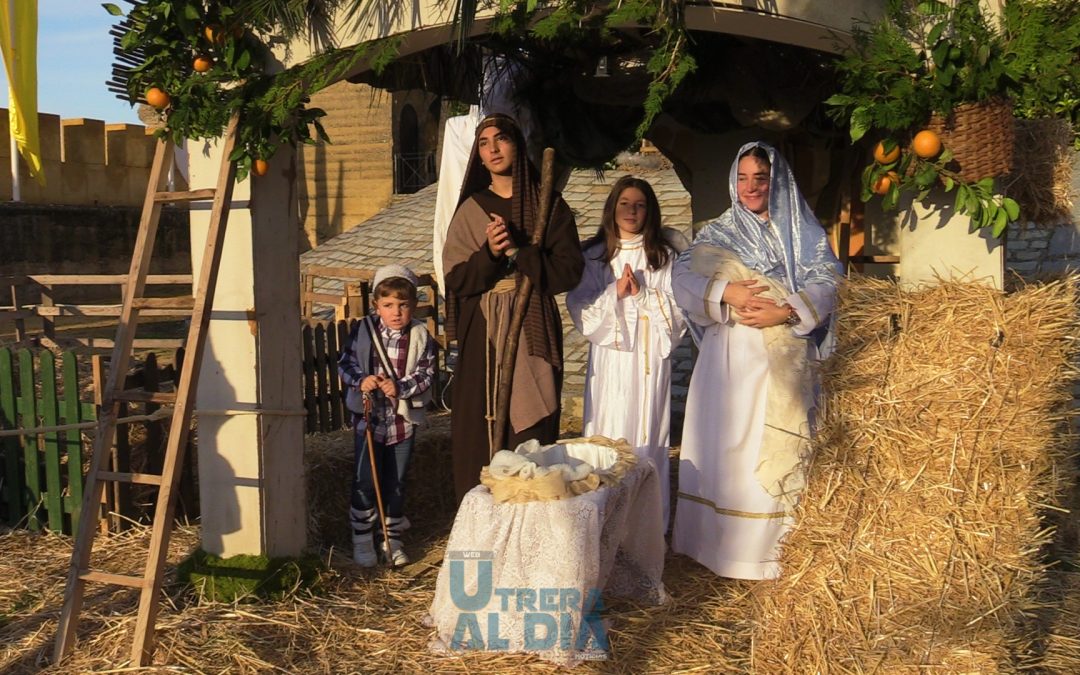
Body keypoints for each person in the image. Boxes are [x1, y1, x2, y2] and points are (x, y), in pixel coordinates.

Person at [671, 142, 841, 580]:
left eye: (759, 179)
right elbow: (683, 279)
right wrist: (728, 294)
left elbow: (828, 280)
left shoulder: (802, 235)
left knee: (777, 440)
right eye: (743, 178)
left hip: (781, 361)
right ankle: (722, 549)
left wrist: (784, 311)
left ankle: (770, 553)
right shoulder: (717, 233)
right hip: (729, 356)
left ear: (775, 182)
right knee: (728, 446)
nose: (750, 187)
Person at [442, 113, 585, 503]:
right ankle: (480, 523)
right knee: (479, 426)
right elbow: (456, 278)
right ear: (479, 156)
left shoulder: (546, 205)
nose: (492, 148)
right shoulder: (471, 208)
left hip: (532, 325)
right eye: (484, 143)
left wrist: (522, 252)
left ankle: (530, 522)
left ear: (516, 146)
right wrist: (489, 253)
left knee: (532, 428)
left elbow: (568, 270)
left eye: (500, 139)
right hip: (483, 332)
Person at [566, 176, 687, 530]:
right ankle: (603, 521)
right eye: (625, 204)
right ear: (612, 208)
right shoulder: (593, 255)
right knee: (607, 429)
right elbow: (581, 309)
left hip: (648, 360)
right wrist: (613, 293)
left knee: (646, 434)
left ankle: (645, 526)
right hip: (610, 360)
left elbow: (680, 311)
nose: (631, 211)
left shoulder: (664, 256)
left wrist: (642, 295)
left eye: (639, 205)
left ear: (650, 211)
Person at [339, 264, 437, 567]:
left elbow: (428, 373)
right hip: (369, 421)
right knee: (365, 480)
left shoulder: (421, 335)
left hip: (401, 422)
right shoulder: (363, 331)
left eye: (403, 305)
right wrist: (361, 381)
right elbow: (345, 363)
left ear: (413, 305)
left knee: (395, 481)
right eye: (388, 305)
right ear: (376, 306)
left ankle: (391, 540)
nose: (396, 312)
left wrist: (401, 386)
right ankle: (362, 539)